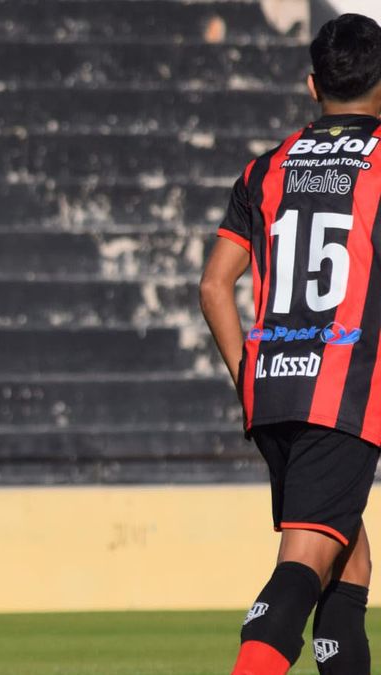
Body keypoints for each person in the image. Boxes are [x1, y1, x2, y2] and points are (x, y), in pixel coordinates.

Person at [200, 13, 381, 674]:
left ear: (312, 86)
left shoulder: (265, 169)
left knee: (349, 557)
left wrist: (250, 373)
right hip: (343, 396)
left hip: (272, 388)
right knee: (304, 561)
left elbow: (215, 286)